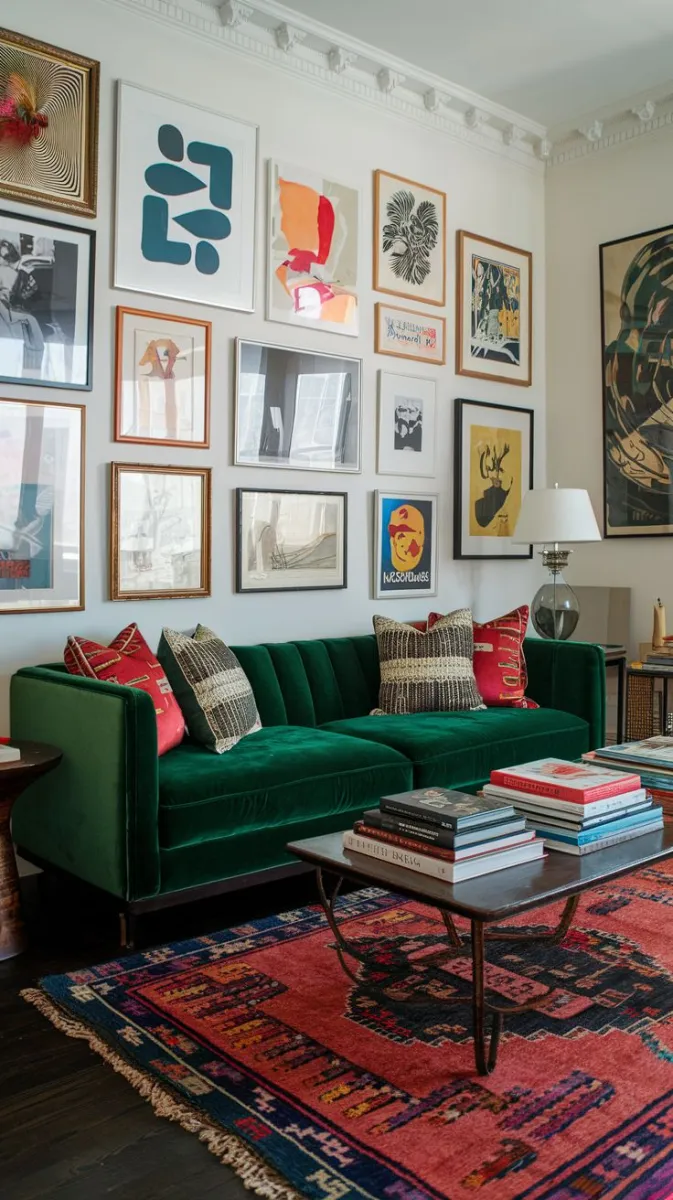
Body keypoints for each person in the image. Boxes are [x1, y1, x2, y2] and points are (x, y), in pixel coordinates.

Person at [0, 237, 45, 371]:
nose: (4, 259)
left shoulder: (19, 272)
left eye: (5, 256)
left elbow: (33, 294)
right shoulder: (8, 271)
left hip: (22, 308)